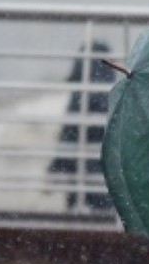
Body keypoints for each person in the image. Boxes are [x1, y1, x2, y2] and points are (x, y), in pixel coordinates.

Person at [47, 40, 116, 211]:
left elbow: (69, 136)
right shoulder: (112, 94)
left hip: (83, 179)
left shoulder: (81, 96)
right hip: (108, 181)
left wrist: (55, 169)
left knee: (82, 209)